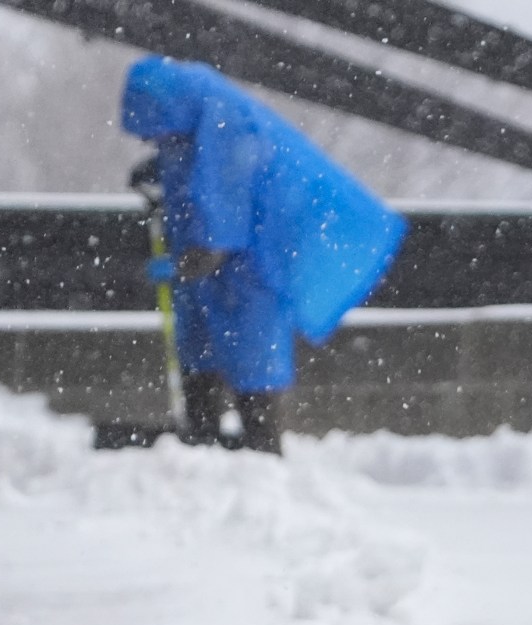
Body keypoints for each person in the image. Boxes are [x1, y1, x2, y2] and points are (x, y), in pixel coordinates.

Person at [118, 55, 406, 455]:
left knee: (252, 355)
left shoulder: (225, 121)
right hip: (221, 273)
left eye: (155, 133)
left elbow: (223, 207)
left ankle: (262, 450)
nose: (153, 142)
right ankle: (202, 441)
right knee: (200, 349)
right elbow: (190, 174)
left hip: (252, 267)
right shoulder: (186, 118)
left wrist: (190, 261)